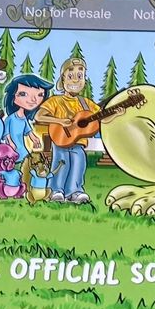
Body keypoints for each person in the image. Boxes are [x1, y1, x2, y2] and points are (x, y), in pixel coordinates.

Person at [35, 56, 100, 205]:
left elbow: (102, 117)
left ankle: (75, 192)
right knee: (61, 164)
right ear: (63, 79)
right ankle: (56, 190)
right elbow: (39, 116)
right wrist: (60, 121)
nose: (75, 80)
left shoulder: (85, 103)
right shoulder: (56, 101)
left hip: (78, 143)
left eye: (80, 76)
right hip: (60, 140)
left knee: (78, 164)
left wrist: (116, 112)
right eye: (71, 76)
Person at [3, 72, 53, 200]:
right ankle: (10, 188)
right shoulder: (10, 118)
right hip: (12, 150)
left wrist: (35, 138)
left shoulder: (24, 119)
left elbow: (28, 131)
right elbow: (6, 133)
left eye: (40, 95)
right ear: (13, 97)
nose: (33, 100)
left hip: (22, 149)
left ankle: (24, 188)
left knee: (25, 169)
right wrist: (10, 142)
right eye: (23, 94)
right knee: (12, 170)